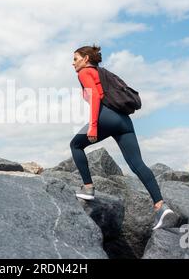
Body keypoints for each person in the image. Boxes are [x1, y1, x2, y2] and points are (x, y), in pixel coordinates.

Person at [70, 44, 177, 230]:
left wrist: (93, 126)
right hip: (124, 121)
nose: (73, 63)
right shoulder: (102, 72)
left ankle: (88, 188)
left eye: (75, 59)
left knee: (76, 146)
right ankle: (161, 206)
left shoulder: (84, 73)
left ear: (86, 59)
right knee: (137, 163)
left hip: (105, 117)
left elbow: (95, 97)